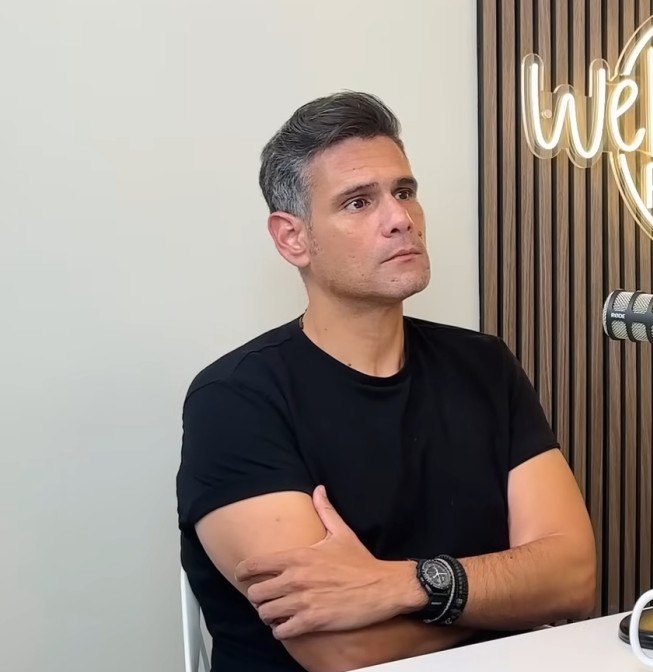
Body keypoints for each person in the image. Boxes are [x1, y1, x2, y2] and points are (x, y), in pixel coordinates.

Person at [175, 91, 598, 672]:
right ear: (292, 238)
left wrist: (400, 586)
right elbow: (340, 651)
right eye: (358, 202)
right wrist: (506, 603)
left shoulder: (484, 365)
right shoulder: (234, 400)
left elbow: (573, 579)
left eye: (404, 191)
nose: (400, 218)